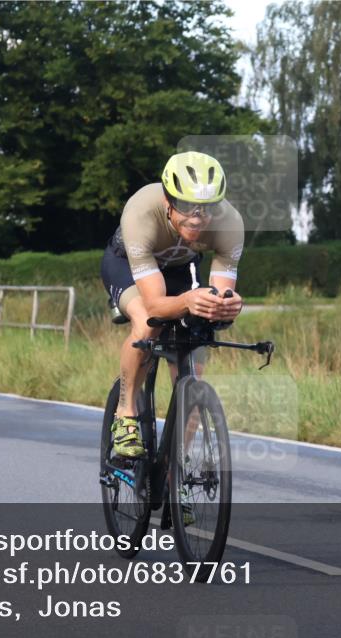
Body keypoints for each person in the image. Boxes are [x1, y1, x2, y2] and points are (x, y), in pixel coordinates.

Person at [100, 151, 244, 458]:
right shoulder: (140, 211)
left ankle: (174, 471)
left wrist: (225, 307)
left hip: (181, 269)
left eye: (206, 209)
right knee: (145, 324)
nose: (196, 218)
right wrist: (188, 302)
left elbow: (220, 295)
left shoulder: (230, 224)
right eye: (186, 206)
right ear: (168, 200)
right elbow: (154, 305)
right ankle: (125, 415)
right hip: (127, 264)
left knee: (195, 359)